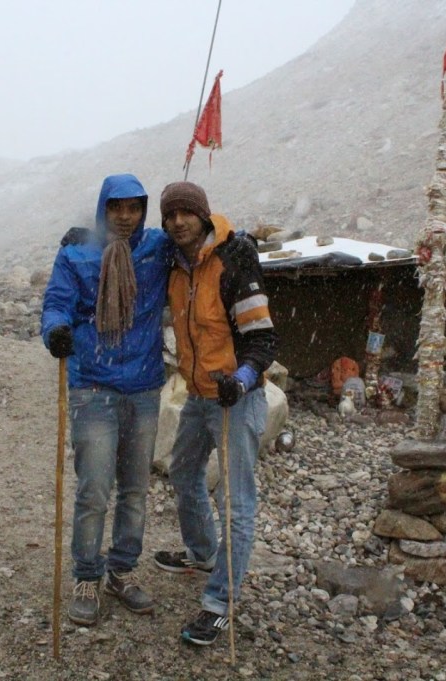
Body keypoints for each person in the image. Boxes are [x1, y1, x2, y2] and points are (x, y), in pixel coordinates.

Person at [40, 173, 169, 626]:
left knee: (134, 490)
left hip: (145, 388)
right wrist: (55, 331)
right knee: (95, 489)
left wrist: (234, 239)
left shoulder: (157, 248)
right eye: (117, 208)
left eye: (134, 207)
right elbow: (57, 302)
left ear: (143, 210)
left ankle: (121, 570)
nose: (125, 216)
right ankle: (86, 575)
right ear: (104, 209)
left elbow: (201, 244)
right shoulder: (77, 252)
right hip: (92, 385)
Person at [153, 181, 278, 646]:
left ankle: (220, 602)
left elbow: (263, 338)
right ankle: (203, 552)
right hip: (199, 394)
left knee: (237, 501)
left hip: (235, 398)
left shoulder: (234, 258)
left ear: (203, 215)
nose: (178, 222)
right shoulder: (174, 263)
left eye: (186, 213)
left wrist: (240, 380)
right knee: (183, 471)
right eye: (170, 216)